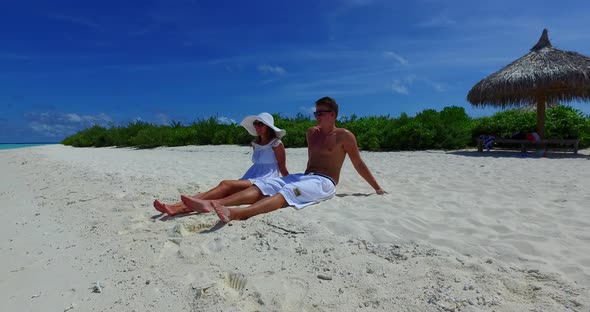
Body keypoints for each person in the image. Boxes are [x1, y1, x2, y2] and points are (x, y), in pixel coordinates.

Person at [180, 96, 386, 223]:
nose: (316, 116)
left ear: (332, 114)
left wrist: (376, 187)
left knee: (284, 192)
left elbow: (358, 163)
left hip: (324, 182)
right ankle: (213, 204)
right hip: (305, 177)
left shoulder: (344, 136)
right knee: (263, 186)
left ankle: (237, 214)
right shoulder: (311, 133)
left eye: (321, 113)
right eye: (315, 112)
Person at [153, 112, 289, 216]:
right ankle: (176, 206)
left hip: (266, 179)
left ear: (268, 127)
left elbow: (282, 167)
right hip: (252, 176)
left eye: (261, 124)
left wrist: (288, 183)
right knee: (223, 192)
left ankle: (179, 208)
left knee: (226, 184)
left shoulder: (276, 144)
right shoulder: (256, 144)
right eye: (256, 124)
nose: (257, 127)